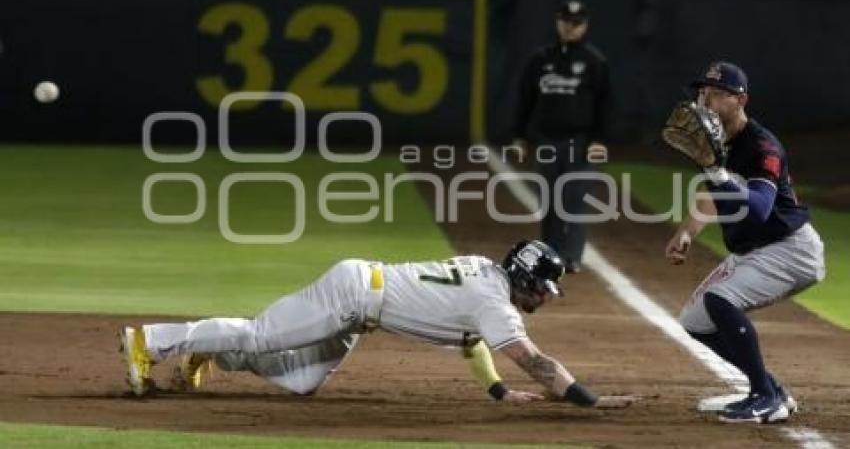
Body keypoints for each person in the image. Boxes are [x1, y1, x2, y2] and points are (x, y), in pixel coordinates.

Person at [120, 240, 634, 409]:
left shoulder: (487, 277)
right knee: (261, 334)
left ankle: (209, 352)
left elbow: (474, 339)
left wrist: (497, 391)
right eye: (543, 288)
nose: (545, 297)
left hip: (360, 305)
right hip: (351, 296)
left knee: (301, 382)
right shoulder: (495, 302)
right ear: (524, 278)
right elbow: (536, 363)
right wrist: (588, 400)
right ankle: (152, 341)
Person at [665, 62, 825, 424]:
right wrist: (688, 231)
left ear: (741, 100)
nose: (705, 102)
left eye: (716, 94)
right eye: (702, 93)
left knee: (720, 300)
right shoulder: (714, 143)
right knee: (696, 320)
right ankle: (771, 388)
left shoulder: (762, 146)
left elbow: (759, 209)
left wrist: (716, 171)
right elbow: (713, 196)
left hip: (790, 249)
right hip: (756, 251)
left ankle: (763, 396)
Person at [513, 0, 612, 273]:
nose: (570, 27)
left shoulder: (594, 61)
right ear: (558, 22)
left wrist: (599, 140)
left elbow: (606, 103)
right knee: (550, 201)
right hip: (546, 139)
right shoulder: (540, 59)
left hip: (580, 142)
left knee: (574, 200)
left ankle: (572, 256)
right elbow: (525, 100)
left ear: (585, 26)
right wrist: (520, 136)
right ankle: (551, 254)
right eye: (567, 21)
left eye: (576, 23)